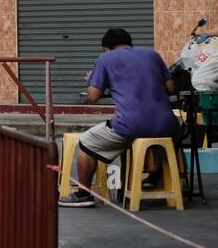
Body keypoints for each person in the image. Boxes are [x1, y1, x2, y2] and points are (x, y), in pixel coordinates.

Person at [60, 28, 179, 208]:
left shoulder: (105, 59)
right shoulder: (152, 54)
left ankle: (83, 195)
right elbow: (171, 88)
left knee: (85, 142)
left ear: (106, 48)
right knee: (166, 140)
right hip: (167, 123)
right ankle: (154, 177)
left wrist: (92, 79)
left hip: (130, 125)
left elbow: (93, 96)